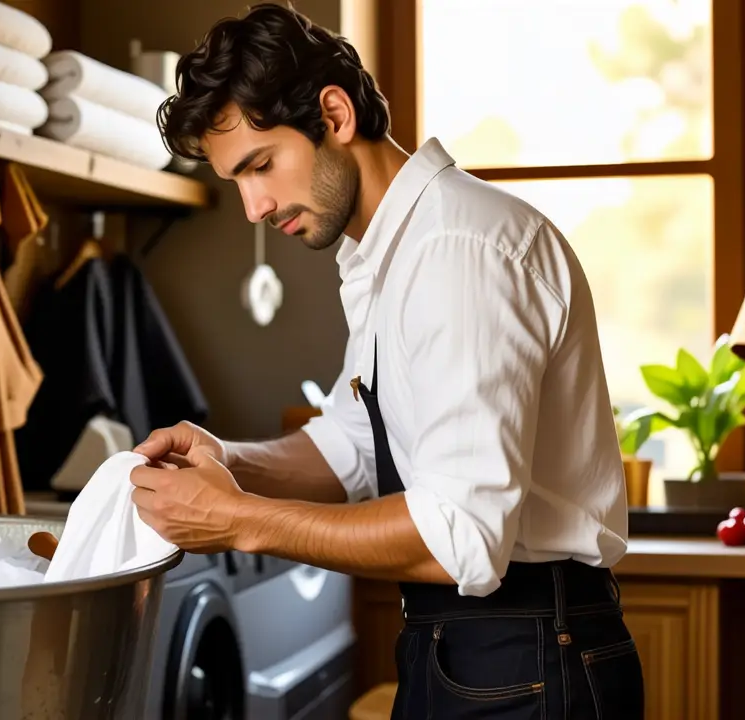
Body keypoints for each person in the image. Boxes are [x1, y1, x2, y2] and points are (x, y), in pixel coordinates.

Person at [128, 4, 645, 718]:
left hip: (527, 653)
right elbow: (350, 447)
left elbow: (461, 536)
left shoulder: (457, 252)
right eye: (235, 181)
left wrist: (239, 518)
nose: (253, 206)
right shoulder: (386, 256)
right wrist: (228, 460)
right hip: (467, 646)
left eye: (261, 165)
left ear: (334, 115)